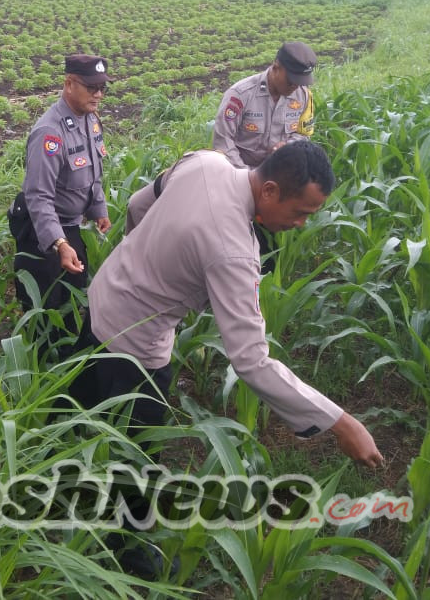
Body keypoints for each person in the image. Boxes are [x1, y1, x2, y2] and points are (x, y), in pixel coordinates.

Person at [68, 141, 383, 576]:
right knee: (137, 455)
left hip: (102, 296)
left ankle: (66, 469)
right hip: (135, 349)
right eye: (301, 212)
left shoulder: (206, 162)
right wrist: (340, 421)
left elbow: (141, 205)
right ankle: (130, 552)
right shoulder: (234, 251)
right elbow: (251, 361)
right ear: (269, 190)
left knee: (82, 406)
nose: (300, 224)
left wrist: (142, 261)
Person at [8, 54, 112, 360]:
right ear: (69, 84)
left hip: (70, 224)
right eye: (91, 87)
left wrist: (98, 209)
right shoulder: (49, 133)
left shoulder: (90, 119)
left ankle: (67, 361)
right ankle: (40, 368)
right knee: (45, 304)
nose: (99, 94)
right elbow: (39, 196)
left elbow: (92, 170)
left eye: (103, 87)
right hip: (43, 228)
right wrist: (59, 243)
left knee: (73, 296)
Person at [212, 41, 318, 272]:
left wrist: (288, 147)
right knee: (236, 248)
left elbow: (304, 135)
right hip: (237, 181)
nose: (295, 87)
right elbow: (223, 143)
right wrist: (249, 180)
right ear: (276, 67)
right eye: (291, 80)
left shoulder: (303, 96)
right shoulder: (240, 95)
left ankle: (267, 286)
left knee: (270, 249)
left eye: (300, 82)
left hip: (275, 186)